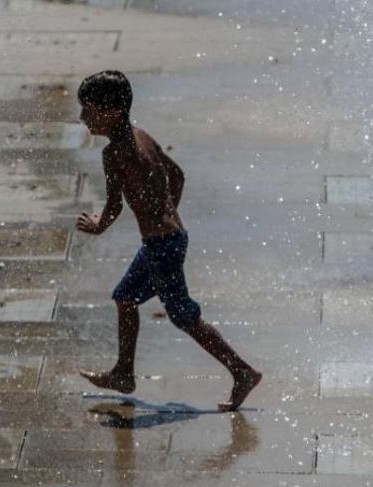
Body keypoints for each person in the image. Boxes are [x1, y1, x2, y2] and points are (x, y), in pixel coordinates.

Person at [75, 70, 261, 412]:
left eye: (88, 109)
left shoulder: (114, 154)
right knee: (125, 297)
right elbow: (177, 175)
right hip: (170, 238)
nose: (83, 117)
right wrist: (165, 214)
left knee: (184, 317)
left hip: (162, 246)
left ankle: (242, 371)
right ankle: (123, 373)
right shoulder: (142, 136)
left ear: (112, 111)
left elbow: (114, 205)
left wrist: (99, 226)